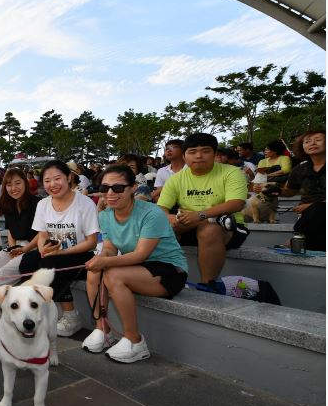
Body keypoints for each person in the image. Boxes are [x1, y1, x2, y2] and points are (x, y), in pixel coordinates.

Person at [82, 165, 188, 363]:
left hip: (169, 269)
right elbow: (110, 247)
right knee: (94, 272)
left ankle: (135, 341)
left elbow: (141, 255)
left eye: (118, 188)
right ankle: (102, 329)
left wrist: (105, 261)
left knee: (113, 274)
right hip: (138, 269)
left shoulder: (152, 213)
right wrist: (101, 258)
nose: (110, 193)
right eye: (105, 188)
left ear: (132, 188)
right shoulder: (105, 215)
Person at [19, 160, 100, 337]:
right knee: (27, 261)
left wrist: (58, 253)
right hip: (53, 254)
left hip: (81, 254)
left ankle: (71, 316)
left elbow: (92, 242)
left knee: (50, 262)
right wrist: (43, 250)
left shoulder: (85, 203)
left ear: (69, 177)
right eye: (47, 181)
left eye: (57, 178)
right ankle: (34, 309)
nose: (52, 184)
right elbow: (42, 235)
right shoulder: (43, 204)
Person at [157, 133, 249, 283]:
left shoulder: (231, 172)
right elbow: (161, 208)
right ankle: (160, 279)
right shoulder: (176, 179)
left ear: (215, 154)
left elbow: (236, 203)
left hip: (228, 227)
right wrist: (170, 218)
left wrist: (200, 215)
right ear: (184, 156)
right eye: (192, 152)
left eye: (205, 151)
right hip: (187, 224)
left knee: (209, 228)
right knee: (157, 228)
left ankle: (208, 284)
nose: (199, 156)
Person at [0, 168, 40, 284]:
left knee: (3, 273)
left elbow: (43, 233)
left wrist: (24, 249)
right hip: (16, 247)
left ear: (25, 183)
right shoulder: (8, 204)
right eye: (9, 184)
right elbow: (11, 231)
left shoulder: (37, 203)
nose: (14, 188)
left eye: (18, 183)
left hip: (34, 248)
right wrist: (13, 249)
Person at [276, 130, 325, 251]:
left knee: (318, 209)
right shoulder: (299, 169)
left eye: (318, 140)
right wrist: (275, 191)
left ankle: (298, 238)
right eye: (307, 141)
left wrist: (311, 206)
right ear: (302, 147)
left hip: (317, 211)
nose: (312, 143)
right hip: (309, 216)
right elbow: (290, 191)